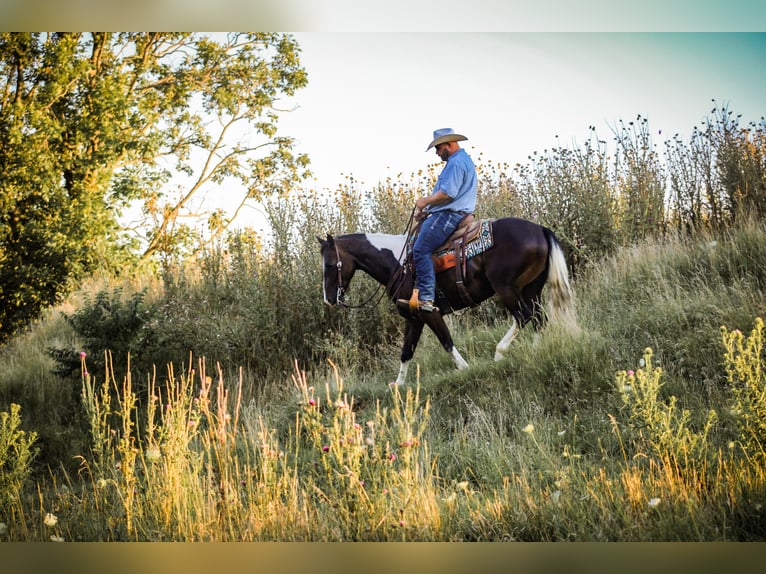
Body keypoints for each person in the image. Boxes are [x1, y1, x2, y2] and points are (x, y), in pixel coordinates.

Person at [399, 128, 477, 313]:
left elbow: (448, 194)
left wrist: (425, 201)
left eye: (438, 147)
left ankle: (426, 298)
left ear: (449, 144)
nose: (436, 152)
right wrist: (427, 211)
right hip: (450, 212)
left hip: (449, 215)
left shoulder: (456, 163)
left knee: (420, 248)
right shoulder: (461, 160)